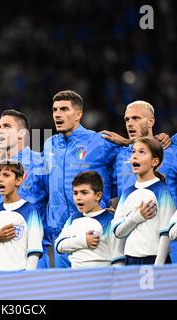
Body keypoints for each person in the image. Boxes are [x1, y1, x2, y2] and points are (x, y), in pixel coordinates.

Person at [43, 90, 120, 268]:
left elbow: (125, 165)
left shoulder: (98, 141)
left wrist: (107, 197)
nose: (57, 114)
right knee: (64, 291)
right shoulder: (49, 144)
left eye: (64, 109)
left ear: (79, 114)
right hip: (61, 233)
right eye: (55, 110)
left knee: (92, 289)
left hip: (93, 230)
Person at [104, 101, 177, 263]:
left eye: (136, 118)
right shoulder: (120, 156)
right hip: (131, 247)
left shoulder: (174, 152)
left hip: (171, 244)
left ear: (151, 121)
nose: (130, 124)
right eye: (127, 120)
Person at [0, 109, 51, 268]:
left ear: (21, 134)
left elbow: (58, 197)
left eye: (7, 126)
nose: (1, 130)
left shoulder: (40, 162)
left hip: (33, 252)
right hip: (1, 252)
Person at [112, 137, 175, 265]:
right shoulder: (127, 193)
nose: (135, 156)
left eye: (142, 152)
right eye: (133, 152)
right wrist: (137, 217)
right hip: (131, 259)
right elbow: (118, 232)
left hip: (154, 260)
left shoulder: (162, 191)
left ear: (155, 161)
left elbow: (166, 233)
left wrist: (159, 265)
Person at [0, 160, 43, 271]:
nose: (0, 179)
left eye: (6, 175)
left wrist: (27, 279)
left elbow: (34, 252)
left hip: (20, 279)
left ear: (19, 180)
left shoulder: (30, 211)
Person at [55, 171, 124, 268]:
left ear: (98, 195)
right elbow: (59, 245)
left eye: (84, 193)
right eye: (75, 193)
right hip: (76, 280)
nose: (78, 197)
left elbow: (118, 258)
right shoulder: (73, 219)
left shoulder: (111, 220)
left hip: (102, 280)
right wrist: (83, 241)